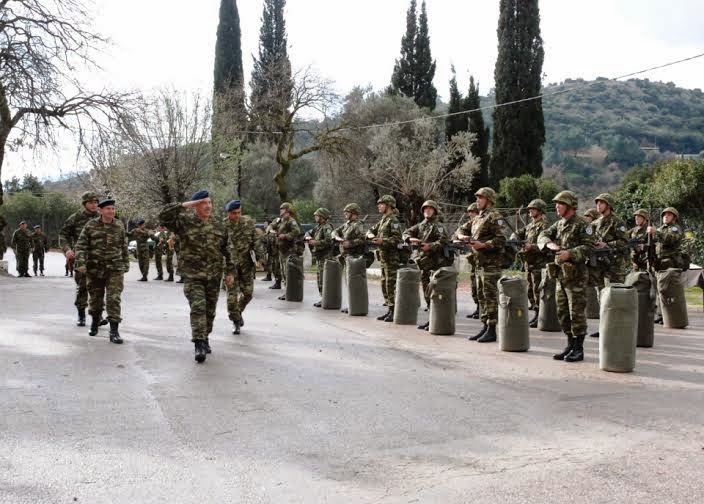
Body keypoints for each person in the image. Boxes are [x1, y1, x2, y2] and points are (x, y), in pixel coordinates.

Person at [159, 190, 235, 363]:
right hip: (193, 275)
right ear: (195, 206)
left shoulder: (219, 225)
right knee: (198, 308)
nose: (208, 206)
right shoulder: (184, 222)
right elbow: (163, 216)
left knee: (210, 311)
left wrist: (230, 271)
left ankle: (205, 336)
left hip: (214, 275)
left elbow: (228, 250)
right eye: (203, 203)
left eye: (209, 202)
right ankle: (199, 343)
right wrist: (185, 205)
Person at [538, 190, 595, 363]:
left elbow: (589, 247)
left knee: (576, 313)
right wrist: (548, 243)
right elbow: (543, 234)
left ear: (570, 206)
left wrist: (570, 253)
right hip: (561, 275)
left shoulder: (582, 224)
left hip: (576, 277)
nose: (556, 206)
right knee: (563, 313)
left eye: (560, 204)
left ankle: (579, 349)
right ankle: (570, 345)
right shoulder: (560, 224)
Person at [74, 198, 130, 343]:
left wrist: (125, 263)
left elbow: (124, 245)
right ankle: (94, 322)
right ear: (100, 210)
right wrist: (80, 262)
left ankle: (114, 331)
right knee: (96, 299)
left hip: (115, 268)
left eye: (113, 208)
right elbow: (81, 246)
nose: (111, 211)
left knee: (114, 299)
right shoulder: (91, 225)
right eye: (108, 209)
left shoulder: (119, 225)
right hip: (95, 268)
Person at [456, 187, 506, 343]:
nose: (477, 200)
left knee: (490, 297)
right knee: (482, 296)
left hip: (491, 265)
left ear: (489, 200)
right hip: (479, 264)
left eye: (480, 198)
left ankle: (492, 330)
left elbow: (501, 240)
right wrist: (462, 236)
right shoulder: (478, 218)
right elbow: (461, 229)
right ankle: (485, 327)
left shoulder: (495, 217)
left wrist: (483, 245)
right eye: (477, 198)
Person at [402, 200, 450, 330]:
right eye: (425, 209)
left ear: (434, 211)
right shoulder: (421, 225)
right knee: (426, 292)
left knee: (435, 292)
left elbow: (444, 240)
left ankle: (436, 320)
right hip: (423, 264)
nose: (427, 211)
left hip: (435, 264)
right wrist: (410, 239)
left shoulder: (438, 226)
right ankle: (430, 319)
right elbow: (406, 232)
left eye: (430, 209)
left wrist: (431, 246)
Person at [589, 193, 629, 338]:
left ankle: (618, 328)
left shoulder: (618, 222)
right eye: (597, 203)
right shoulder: (594, 223)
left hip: (614, 266)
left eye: (601, 203)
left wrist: (607, 244)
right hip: (599, 265)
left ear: (608, 205)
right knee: (601, 296)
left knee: (615, 296)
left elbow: (624, 243)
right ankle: (604, 327)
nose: (598, 205)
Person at [224, 199, 264, 334]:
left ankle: (238, 312)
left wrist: (260, 258)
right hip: (230, 267)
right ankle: (235, 320)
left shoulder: (248, 222)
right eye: (234, 213)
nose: (236, 215)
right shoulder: (223, 226)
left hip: (246, 265)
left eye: (239, 212)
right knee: (231, 298)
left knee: (248, 294)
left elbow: (256, 241)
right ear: (228, 213)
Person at [61, 191, 101, 326]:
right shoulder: (76, 218)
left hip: (99, 258)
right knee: (82, 287)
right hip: (81, 258)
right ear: (85, 204)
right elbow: (63, 235)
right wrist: (67, 250)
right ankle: (81, 315)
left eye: (96, 202)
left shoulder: (102, 216)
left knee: (98, 288)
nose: (94, 205)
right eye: (91, 202)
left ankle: (97, 315)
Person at [513, 199, 550, 327]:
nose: (530, 211)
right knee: (530, 290)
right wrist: (514, 239)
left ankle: (541, 315)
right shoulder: (530, 226)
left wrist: (532, 247)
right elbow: (518, 233)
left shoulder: (545, 226)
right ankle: (536, 313)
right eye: (529, 209)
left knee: (538, 290)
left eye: (533, 209)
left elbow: (546, 244)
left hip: (540, 264)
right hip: (529, 263)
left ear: (540, 210)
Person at [367, 195, 404, 322]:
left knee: (390, 285)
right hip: (383, 258)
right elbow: (370, 230)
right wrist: (371, 235)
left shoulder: (393, 221)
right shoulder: (383, 220)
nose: (379, 206)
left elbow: (397, 239)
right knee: (384, 284)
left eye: (381, 204)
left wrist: (383, 241)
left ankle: (394, 311)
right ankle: (389, 309)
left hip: (391, 258)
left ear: (388, 206)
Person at [453, 203, 481, 319]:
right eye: (469, 213)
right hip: (474, 260)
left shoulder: (483, 223)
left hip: (485, 259)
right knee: (475, 286)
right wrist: (461, 237)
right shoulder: (470, 224)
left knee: (483, 287)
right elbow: (457, 232)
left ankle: (483, 310)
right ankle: (478, 308)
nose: (470, 215)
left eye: (473, 212)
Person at [307, 207, 336, 307]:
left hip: (325, 257)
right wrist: (308, 236)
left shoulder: (327, 227)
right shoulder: (318, 227)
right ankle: (323, 298)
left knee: (324, 279)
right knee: (320, 279)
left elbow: (329, 241)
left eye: (317, 215)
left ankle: (326, 298)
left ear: (322, 217)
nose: (315, 217)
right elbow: (308, 232)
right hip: (320, 257)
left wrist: (316, 242)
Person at [275, 202, 303, 301]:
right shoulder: (281, 221)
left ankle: (290, 292)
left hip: (289, 250)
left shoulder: (291, 221)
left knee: (288, 272)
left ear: (287, 210)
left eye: (282, 209)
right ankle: (287, 292)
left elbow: (297, 231)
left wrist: (285, 236)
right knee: (283, 272)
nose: (280, 210)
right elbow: (272, 225)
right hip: (282, 250)